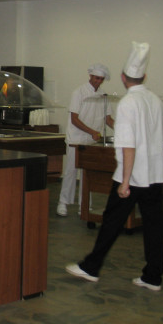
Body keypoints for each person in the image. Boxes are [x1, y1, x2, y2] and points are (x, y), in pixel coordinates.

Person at [66, 42, 163, 291]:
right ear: (145, 77)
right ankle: (153, 277)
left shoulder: (127, 104)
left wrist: (124, 181)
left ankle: (91, 267)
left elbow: (128, 146)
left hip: (132, 176)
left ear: (123, 78)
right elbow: (162, 138)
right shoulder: (155, 100)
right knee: (154, 226)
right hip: (154, 175)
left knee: (111, 222)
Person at [56, 63, 115, 217]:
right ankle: (63, 203)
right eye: (96, 78)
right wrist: (92, 131)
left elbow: (108, 119)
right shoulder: (79, 92)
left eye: (101, 79)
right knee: (71, 171)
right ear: (90, 76)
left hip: (91, 141)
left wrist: (123, 130)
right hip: (76, 139)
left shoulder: (103, 95)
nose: (98, 81)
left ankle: (84, 205)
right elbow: (74, 119)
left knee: (87, 173)